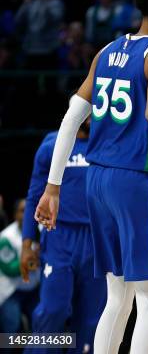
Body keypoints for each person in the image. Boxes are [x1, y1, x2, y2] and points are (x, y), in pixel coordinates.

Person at [34, 0, 148, 353]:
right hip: (137, 181)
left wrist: (53, 186)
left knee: (118, 297)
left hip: (98, 181)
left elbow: (71, 117)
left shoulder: (107, 51)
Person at [21, 112, 106, 353]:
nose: (92, 118)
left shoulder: (107, 145)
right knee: (53, 310)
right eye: (87, 113)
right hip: (59, 236)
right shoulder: (51, 145)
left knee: (90, 320)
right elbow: (33, 195)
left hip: (97, 239)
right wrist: (27, 244)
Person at [0, 199, 39, 333]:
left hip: (33, 289)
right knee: (12, 326)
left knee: (42, 321)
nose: (28, 214)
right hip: (11, 291)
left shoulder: (40, 231)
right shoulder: (5, 237)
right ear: (15, 215)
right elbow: (9, 269)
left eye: (31, 211)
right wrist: (32, 260)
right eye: (23, 211)